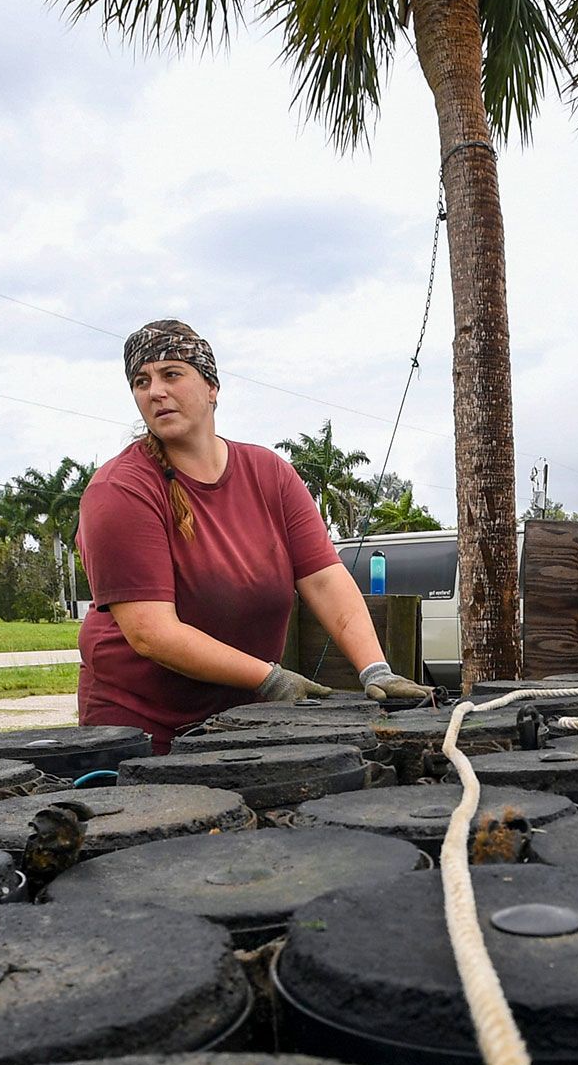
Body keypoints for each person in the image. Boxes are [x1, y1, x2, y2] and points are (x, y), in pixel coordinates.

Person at [75, 319, 429, 752]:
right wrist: (271, 678)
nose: (155, 392)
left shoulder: (269, 473)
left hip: (244, 720)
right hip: (143, 729)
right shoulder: (120, 490)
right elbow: (152, 632)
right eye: (141, 381)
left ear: (211, 387)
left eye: (171, 374)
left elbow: (323, 578)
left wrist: (375, 670)